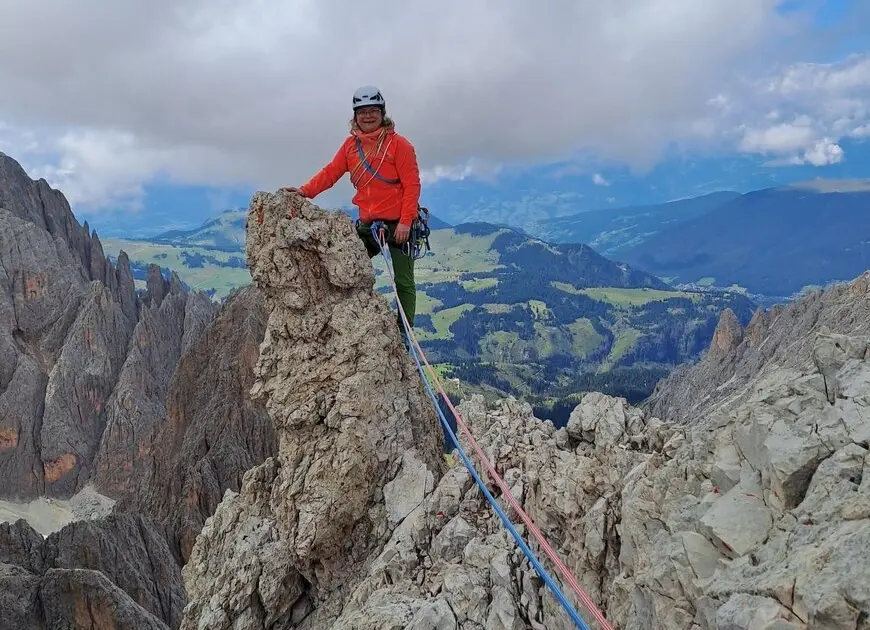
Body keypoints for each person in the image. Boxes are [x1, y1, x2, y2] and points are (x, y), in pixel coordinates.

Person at [283, 85, 421, 333]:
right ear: (355, 116)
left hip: (398, 224)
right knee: (341, 265)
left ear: (382, 113)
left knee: (403, 282)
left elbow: (412, 186)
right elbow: (331, 172)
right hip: (369, 225)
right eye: (362, 112)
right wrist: (305, 191)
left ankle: (404, 334)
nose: (368, 116)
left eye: (373, 111)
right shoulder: (351, 147)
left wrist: (406, 222)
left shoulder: (400, 146)